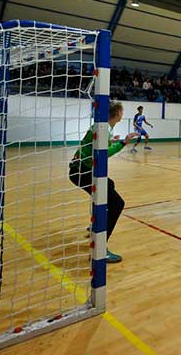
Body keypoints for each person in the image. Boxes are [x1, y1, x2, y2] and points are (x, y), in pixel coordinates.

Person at [69, 102, 137, 263]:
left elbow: (98, 146)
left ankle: (95, 226)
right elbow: (102, 154)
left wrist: (113, 141)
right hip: (83, 172)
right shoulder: (104, 129)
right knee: (117, 204)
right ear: (118, 113)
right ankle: (99, 249)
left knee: (110, 185)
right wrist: (123, 143)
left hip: (80, 170)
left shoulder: (102, 127)